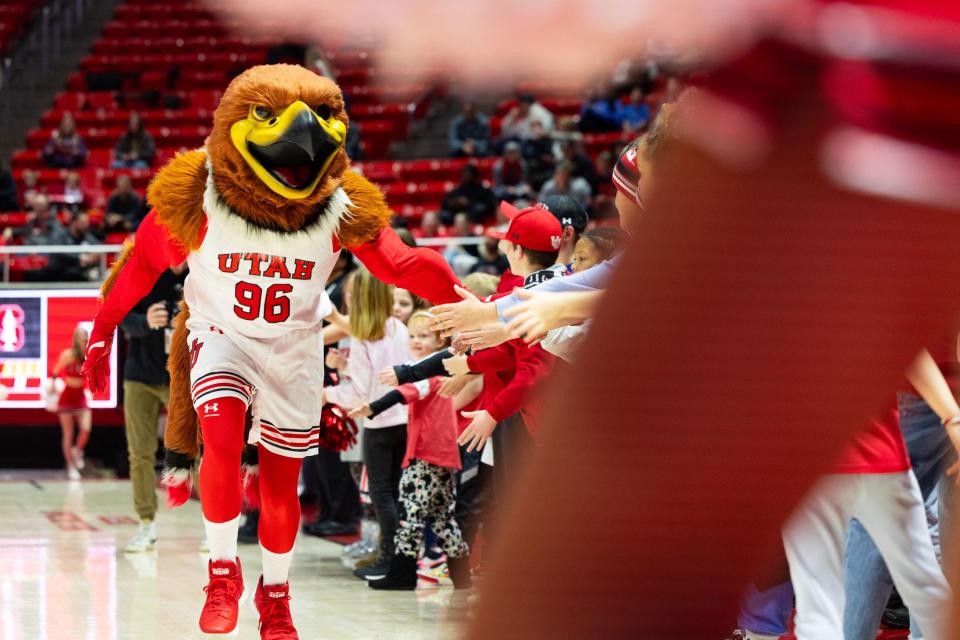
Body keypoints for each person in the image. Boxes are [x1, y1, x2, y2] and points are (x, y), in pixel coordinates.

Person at [350, 311, 474, 591]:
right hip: (442, 455)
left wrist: (372, 408)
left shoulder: (437, 368)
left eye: (424, 336)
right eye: (413, 336)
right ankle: (462, 575)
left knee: (410, 512)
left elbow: (406, 391)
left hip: (427, 454)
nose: (417, 341)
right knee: (443, 518)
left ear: (439, 338)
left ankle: (403, 574)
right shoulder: (439, 365)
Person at [323, 268, 412, 581]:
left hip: (379, 422)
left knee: (382, 494)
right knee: (399, 493)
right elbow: (382, 375)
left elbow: (359, 392)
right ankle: (402, 557)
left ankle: (389, 558)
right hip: (405, 418)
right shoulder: (398, 327)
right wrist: (346, 367)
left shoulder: (363, 336)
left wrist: (325, 394)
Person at [120, 263, 188, 553]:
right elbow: (121, 316)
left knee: (201, 451)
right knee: (140, 454)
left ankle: (215, 529)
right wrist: (145, 321)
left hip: (184, 375)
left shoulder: (205, 266)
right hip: (140, 376)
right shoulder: (142, 271)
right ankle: (146, 523)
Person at [54, 326, 92, 480]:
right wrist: (57, 384)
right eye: (82, 337)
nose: (84, 339)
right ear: (76, 338)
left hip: (81, 396)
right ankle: (70, 467)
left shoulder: (89, 355)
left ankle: (78, 450)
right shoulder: (67, 355)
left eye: (86, 337)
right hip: (67, 397)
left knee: (85, 429)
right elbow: (55, 372)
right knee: (68, 434)